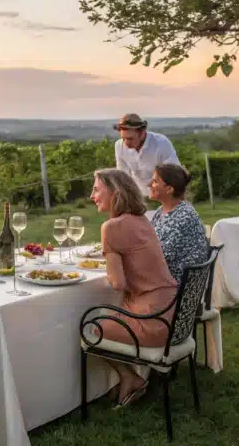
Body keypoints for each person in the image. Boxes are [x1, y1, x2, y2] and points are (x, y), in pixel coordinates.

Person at [90, 168, 178, 408]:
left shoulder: (111, 227)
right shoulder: (142, 220)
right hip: (175, 316)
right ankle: (123, 381)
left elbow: (118, 284)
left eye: (97, 189)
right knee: (107, 317)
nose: (91, 195)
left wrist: (109, 258)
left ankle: (129, 378)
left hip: (152, 320)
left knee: (90, 327)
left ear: (115, 192)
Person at [148, 164, 209, 283]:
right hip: (164, 280)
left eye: (155, 181)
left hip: (176, 288)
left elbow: (159, 257)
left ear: (169, 189)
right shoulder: (162, 210)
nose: (149, 184)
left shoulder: (184, 216)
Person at [114, 113, 180, 198]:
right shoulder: (119, 146)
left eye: (130, 138)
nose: (126, 143)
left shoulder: (161, 143)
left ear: (142, 133)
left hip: (164, 195)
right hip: (137, 197)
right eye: (123, 138)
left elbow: (175, 173)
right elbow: (122, 175)